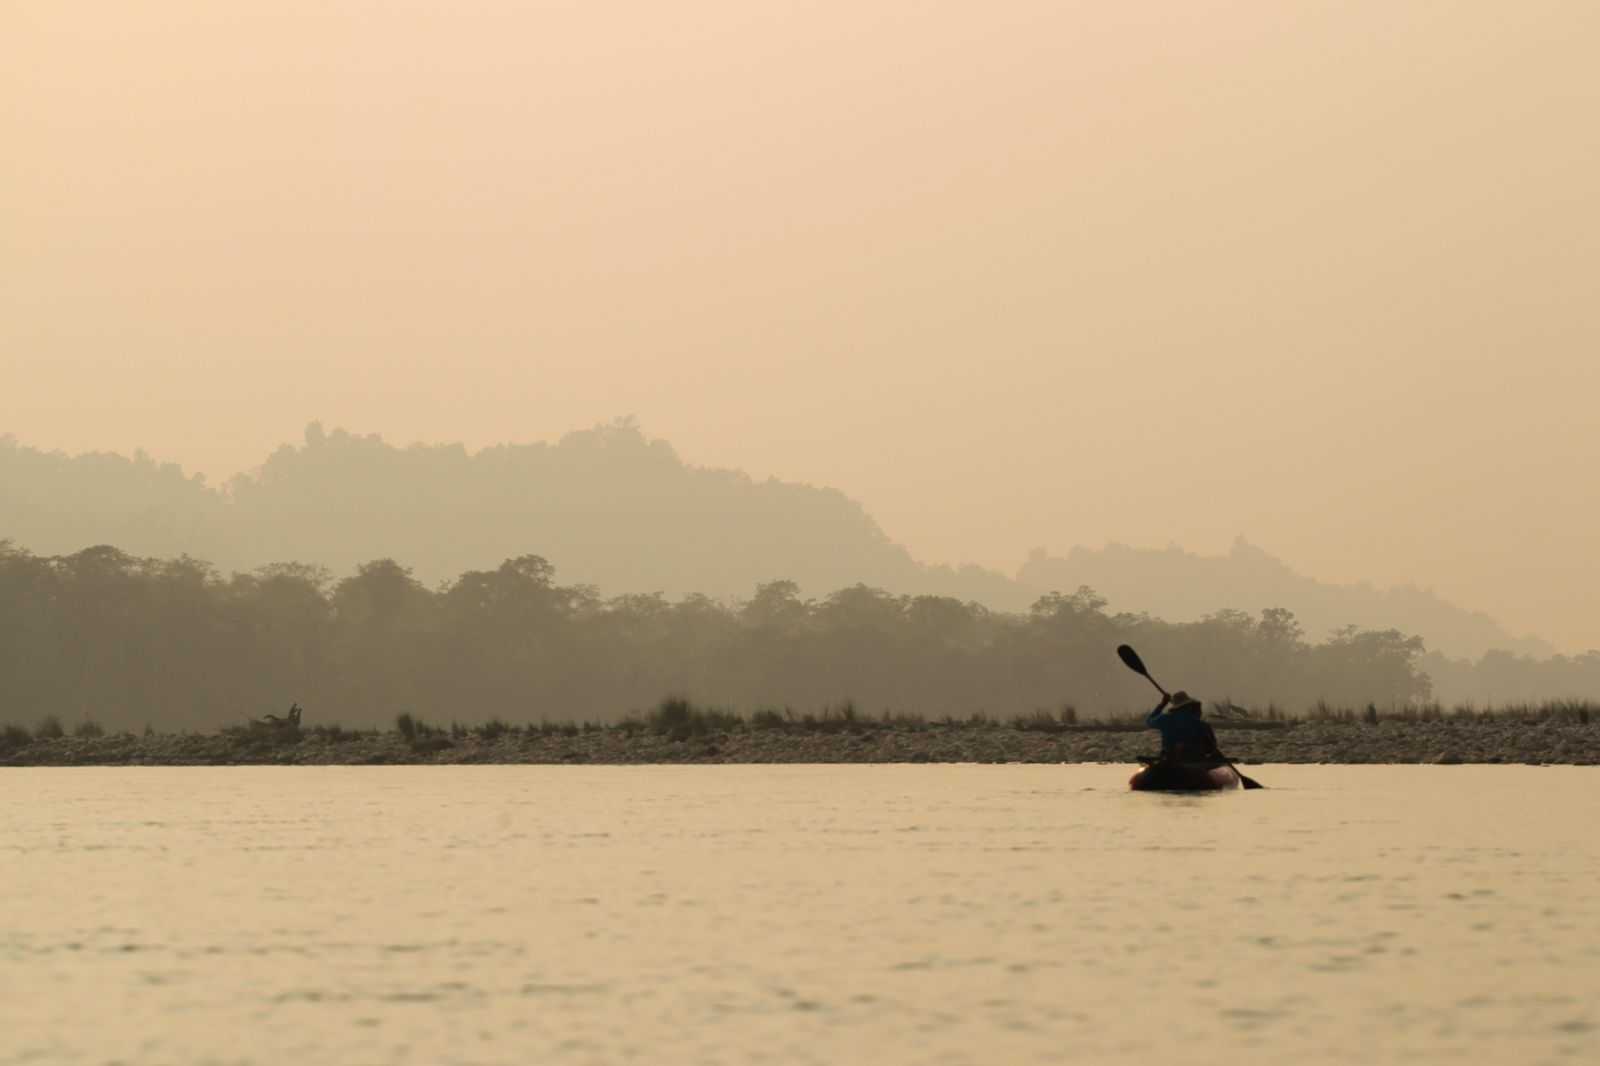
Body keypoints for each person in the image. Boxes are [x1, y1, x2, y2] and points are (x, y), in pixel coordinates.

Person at [1145, 691, 1221, 764]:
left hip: (1170, 760)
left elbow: (1149, 721)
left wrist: (1163, 704)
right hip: (1196, 760)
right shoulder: (1202, 725)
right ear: (1189, 706)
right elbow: (1210, 748)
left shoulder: (1165, 719)